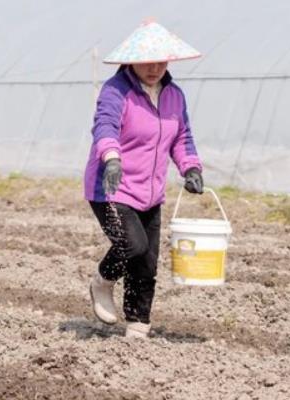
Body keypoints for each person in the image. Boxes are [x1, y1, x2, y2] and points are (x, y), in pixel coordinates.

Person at [83, 20, 204, 338]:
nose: (154, 69)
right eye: (148, 62)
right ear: (133, 61)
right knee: (132, 246)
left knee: (147, 263)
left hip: (151, 192)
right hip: (111, 187)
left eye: (161, 62)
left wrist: (190, 167)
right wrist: (111, 158)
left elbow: (182, 137)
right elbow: (104, 126)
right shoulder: (116, 90)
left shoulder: (174, 96)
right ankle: (102, 282)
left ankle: (138, 327)